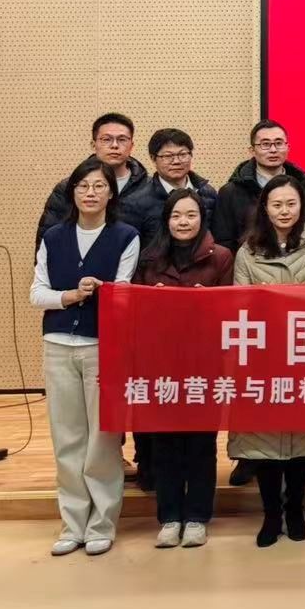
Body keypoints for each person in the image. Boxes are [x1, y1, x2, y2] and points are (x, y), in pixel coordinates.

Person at [29, 157, 139, 557]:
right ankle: (72, 523)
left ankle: (101, 523)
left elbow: (124, 293)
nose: (90, 193)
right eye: (83, 186)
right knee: (67, 437)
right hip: (58, 344)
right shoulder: (54, 236)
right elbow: (37, 294)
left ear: (111, 193)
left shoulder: (126, 236)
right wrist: (70, 296)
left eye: (98, 186)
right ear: (72, 192)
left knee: (102, 439)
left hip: (101, 345)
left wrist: (102, 288)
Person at [229, 176, 305, 547]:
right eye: (277, 204)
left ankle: (295, 510)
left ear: (301, 206)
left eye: (291, 204)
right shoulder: (248, 252)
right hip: (263, 357)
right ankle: (271, 514)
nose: (284, 211)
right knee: (265, 444)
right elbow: (240, 306)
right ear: (265, 208)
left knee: (301, 442)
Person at [136, 189, 232, 550]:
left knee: (200, 444)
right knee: (164, 444)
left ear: (202, 219)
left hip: (205, 363)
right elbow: (135, 310)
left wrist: (209, 304)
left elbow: (233, 310)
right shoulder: (150, 259)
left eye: (191, 215)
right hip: (161, 363)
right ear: (166, 220)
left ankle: (197, 517)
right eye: (176, 215)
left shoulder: (220, 257)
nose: (183, 222)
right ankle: (169, 517)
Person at [36, 112, 147, 245]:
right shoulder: (70, 187)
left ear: (132, 146)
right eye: (106, 139)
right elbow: (48, 240)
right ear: (93, 145)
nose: (114, 145)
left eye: (122, 139)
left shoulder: (148, 188)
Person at [212, 119, 305, 253]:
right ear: (252, 151)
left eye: (279, 143)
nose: (273, 150)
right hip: (249, 263)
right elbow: (224, 242)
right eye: (265, 144)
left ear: (288, 147)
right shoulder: (230, 192)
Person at [120, 128, 219, 248]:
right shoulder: (135, 202)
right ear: (153, 158)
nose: (176, 161)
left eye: (182, 154)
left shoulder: (208, 193)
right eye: (168, 156)